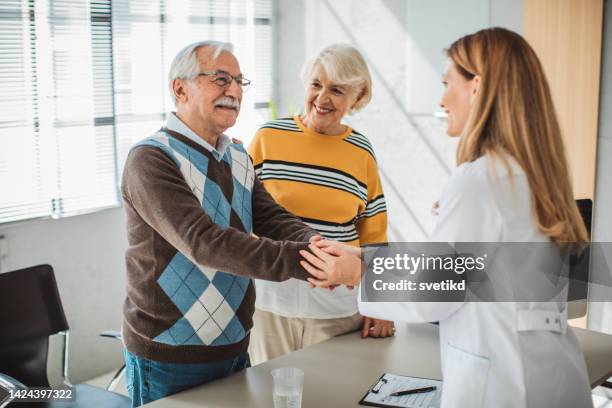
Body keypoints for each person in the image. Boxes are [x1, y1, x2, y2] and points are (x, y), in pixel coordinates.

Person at [301, 28, 592, 408]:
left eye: (446, 82)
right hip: (553, 374)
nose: (441, 98)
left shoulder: (482, 179)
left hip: (505, 385)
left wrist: (357, 274)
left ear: (477, 87)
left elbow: (437, 290)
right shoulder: (536, 173)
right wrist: (363, 259)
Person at [120, 40, 344, 407]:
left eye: (240, 82)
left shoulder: (237, 153)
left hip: (234, 340)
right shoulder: (151, 159)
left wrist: (318, 244)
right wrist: (311, 261)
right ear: (180, 88)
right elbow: (205, 243)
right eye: (222, 79)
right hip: (170, 352)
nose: (235, 91)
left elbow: (271, 216)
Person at [247, 44, 394, 365]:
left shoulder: (361, 151)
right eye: (316, 84)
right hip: (272, 302)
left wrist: (380, 304)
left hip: (336, 306)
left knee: (332, 395)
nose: (322, 98)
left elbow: (374, 233)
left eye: (337, 90)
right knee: (270, 395)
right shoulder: (268, 138)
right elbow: (240, 214)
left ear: (357, 96)